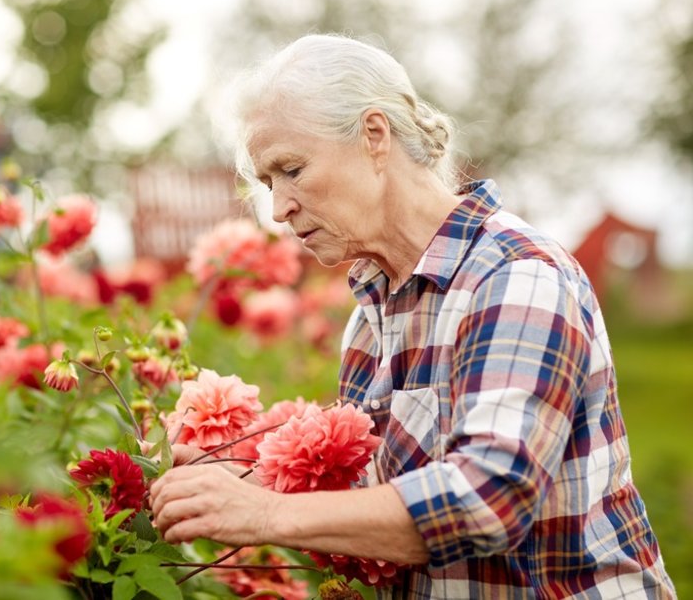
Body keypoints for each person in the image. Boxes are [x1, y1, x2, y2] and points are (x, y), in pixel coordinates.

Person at [148, 34, 676, 598]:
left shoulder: (515, 275)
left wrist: (265, 513)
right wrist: (241, 480)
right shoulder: (372, 313)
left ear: (375, 136)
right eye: (268, 183)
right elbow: (381, 497)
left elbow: (488, 499)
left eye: (292, 170)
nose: (278, 209)